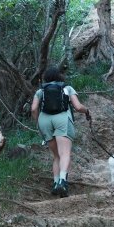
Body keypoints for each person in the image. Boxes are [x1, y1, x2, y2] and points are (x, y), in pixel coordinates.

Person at [31, 65, 91, 197]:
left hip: (44, 121)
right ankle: (63, 182)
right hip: (62, 119)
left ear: (46, 78)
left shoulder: (41, 91)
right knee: (65, 153)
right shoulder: (67, 88)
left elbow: (34, 109)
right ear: (60, 76)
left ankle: (55, 183)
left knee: (56, 156)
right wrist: (87, 111)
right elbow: (78, 107)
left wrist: (38, 123)